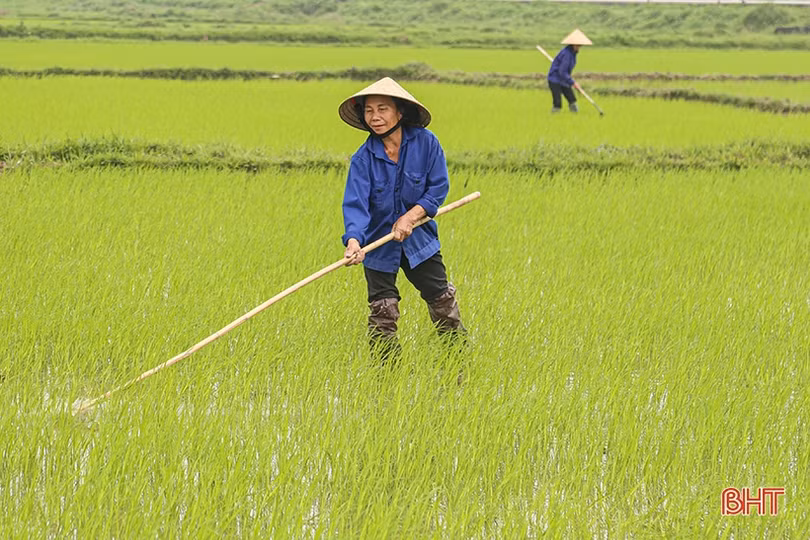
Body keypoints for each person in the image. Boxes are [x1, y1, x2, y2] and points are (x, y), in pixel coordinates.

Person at [338, 77, 466, 363]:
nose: (375, 117)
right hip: (378, 246)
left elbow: (437, 188)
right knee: (382, 312)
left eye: (383, 109)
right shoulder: (362, 159)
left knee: (441, 301)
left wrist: (411, 216)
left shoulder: (427, 144)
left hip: (420, 241)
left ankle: (459, 362)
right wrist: (355, 242)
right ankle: (387, 377)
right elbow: (356, 206)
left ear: (400, 112)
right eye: (369, 111)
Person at [547, 28, 593, 114]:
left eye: (580, 45)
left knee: (572, 99)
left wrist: (570, 82)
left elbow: (565, 72)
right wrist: (572, 82)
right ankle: (552, 119)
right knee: (557, 103)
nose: (579, 47)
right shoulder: (567, 54)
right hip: (555, 79)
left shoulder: (573, 54)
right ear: (573, 44)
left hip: (564, 80)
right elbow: (562, 71)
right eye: (578, 45)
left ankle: (576, 117)